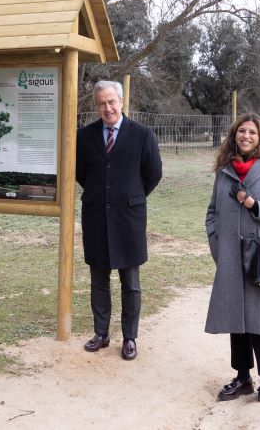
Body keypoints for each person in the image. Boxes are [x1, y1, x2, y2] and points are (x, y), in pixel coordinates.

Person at [205, 113, 260, 402]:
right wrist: (216, 242)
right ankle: (242, 378)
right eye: (242, 131)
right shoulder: (224, 171)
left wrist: (254, 205)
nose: (246, 136)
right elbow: (212, 212)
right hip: (229, 254)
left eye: (252, 132)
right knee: (235, 317)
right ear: (234, 135)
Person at [75, 80, 162, 360]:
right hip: (96, 216)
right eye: (101, 103)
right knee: (98, 279)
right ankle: (101, 333)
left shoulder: (142, 135)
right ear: (96, 105)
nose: (107, 107)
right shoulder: (84, 136)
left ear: (122, 102)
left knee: (131, 282)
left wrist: (132, 195)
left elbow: (153, 173)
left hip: (129, 219)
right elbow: (81, 173)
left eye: (111, 101)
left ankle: (129, 338)